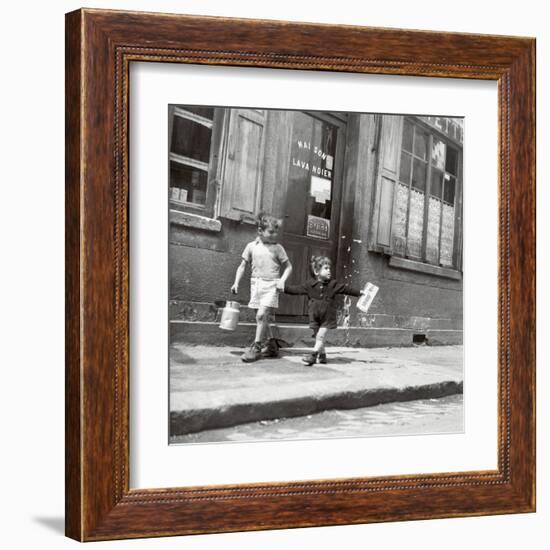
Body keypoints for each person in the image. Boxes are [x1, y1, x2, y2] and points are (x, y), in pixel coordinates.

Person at [231, 213, 292, 362]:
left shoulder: (278, 248)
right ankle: (271, 344)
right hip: (256, 284)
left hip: (271, 285)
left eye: (276, 232)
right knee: (263, 317)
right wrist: (236, 283)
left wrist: (282, 280)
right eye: (271, 232)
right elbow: (242, 265)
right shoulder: (251, 246)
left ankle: (256, 347)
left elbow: (289, 267)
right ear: (260, 231)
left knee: (260, 315)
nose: (274, 235)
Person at [282, 255, 363, 366]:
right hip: (314, 316)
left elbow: (346, 289)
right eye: (326, 268)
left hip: (327, 317)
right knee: (318, 337)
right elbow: (296, 290)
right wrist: (283, 288)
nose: (329, 270)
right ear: (316, 271)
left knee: (320, 336)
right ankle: (323, 355)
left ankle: (313, 355)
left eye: (329, 268)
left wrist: (359, 292)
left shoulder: (333, 285)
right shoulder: (309, 285)